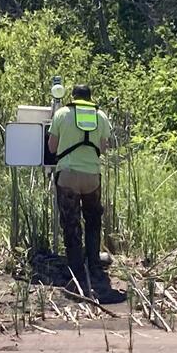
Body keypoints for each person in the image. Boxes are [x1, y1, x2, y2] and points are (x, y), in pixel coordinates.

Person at [47, 84, 113, 293]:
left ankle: (75, 267)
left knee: (71, 223)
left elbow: (52, 147)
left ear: (73, 97)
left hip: (67, 176)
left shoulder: (62, 114)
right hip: (92, 176)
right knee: (93, 220)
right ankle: (93, 263)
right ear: (90, 98)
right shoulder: (100, 115)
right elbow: (102, 149)